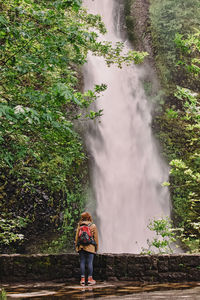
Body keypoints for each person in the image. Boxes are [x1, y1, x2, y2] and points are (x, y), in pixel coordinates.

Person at [75, 212, 99, 286]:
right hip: (90, 247)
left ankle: (82, 280)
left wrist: (77, 247)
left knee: (82, 262)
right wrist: (96, 248)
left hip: (81, 247)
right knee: (89, 263)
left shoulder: (80, 225)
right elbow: (96, 238)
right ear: (89, 217)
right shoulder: (93, 226)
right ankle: (90, 279)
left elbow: (76, 237)